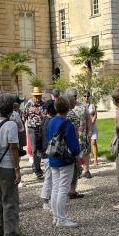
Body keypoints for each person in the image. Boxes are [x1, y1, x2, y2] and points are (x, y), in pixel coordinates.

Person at [0, 93, 22, 236]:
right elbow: (13, 148)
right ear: (12, 108)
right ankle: (10, 235)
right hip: (6, 166)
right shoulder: (11, 125)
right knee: (10, 201)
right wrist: (17, 169)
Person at [46, 96, 81, 227]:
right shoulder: (67, 124)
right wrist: (78, 156)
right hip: (65, 158)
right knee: (63, 188)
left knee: (55, 187)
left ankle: (56, 216)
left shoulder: (50, 122)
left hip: (53, 156)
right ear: (67, 107)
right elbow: (73, 144)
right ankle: (61, 218)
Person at [66, 88, 93, 179]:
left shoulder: (82, 105)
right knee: (73, 153)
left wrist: (90, 130)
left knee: (85, 151)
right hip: (71, 134)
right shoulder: (66, 108)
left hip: (83, 133)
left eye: (75, 96)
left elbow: (88, 118)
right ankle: (76, 170)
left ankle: (87, 170)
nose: (75, 98)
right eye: (73, 96)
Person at [39, 100, 57, 210]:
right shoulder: (50, 122)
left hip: (46, 152)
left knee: (52, 177)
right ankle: (45, 199)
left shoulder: (45, 120)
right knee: (49, 177)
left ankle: (50, 198)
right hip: (48, 153)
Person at [24, 87, 45, 179]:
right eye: (36, 96)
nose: (37, 98)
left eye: (39, 96)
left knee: (40, 148)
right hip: (32, 128)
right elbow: (24, 115)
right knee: (35, 148)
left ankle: (36, 166)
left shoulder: (43, 104)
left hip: (41, 128)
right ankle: (38, 170)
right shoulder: (29, 103)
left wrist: (38, 112)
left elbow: (46, 116)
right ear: (33, 96)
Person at [82, 91, 99, 166]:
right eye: (85, 96)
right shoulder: (81, 106)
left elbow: (95, 114)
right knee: (86, 143)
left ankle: (95, 160)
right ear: (83, 97)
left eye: (88, 96)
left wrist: (92, 121)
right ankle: (88, 159)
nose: (86, 97)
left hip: (92, 125)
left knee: (93, 142)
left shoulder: (92, 105)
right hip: (85, 127)